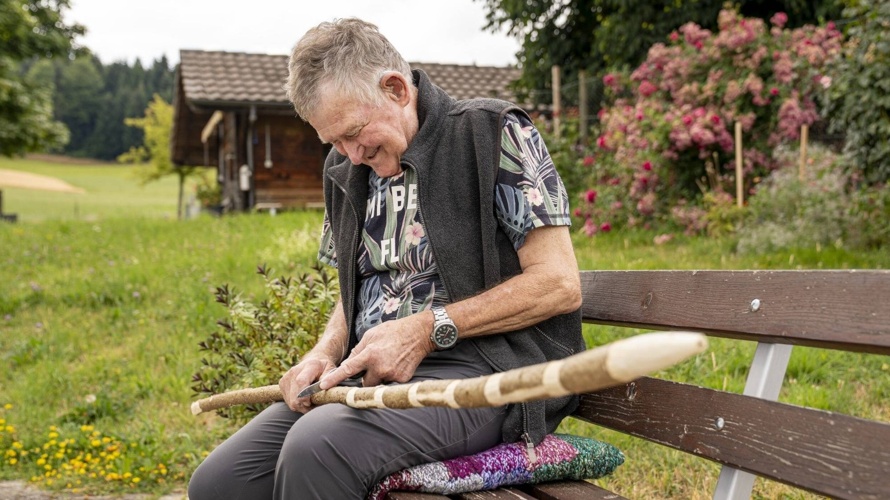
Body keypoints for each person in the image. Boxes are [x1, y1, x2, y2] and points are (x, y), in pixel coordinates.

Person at [188, 18, 585, 500]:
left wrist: (423, 329)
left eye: (354, 133)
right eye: (332, 141)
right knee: (219, 483)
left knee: (319, 447)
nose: (350, 154)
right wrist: (324, 353)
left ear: (396, 89)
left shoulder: (491, 132)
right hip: (372, 376)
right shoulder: (345, 169)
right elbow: (352, 292)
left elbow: (559, 283)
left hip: (490, 375)